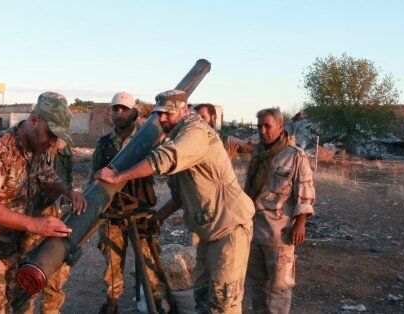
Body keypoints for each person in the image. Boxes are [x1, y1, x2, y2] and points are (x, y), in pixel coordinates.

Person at [94, 89, 255, 313]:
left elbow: (166, 158)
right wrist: (158, 218)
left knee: (223, 302)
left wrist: (119, 176)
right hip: (209, 231)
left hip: (229, 228)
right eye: (159, 114)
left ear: (184, 110)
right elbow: (179, 196)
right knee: (202, 296)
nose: (161, 119)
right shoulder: (178, 136)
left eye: (167, 114)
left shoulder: (196, 133)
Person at [0, 91, 87, 313]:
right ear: (34, 120)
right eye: (51, 134)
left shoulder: (36, 148)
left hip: (15, 246)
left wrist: (68, 192)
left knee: (18, 304)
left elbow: (48, 178)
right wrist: (35, 224)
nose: (54, 142)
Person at [92, 92, 163, 313]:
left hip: (141, 209)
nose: (119, 113)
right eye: (116, 109)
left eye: (124, 109)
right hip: (112, 211)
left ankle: (156, 301)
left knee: (148, 259)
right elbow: (94, 175)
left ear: (134, 112)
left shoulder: (147, 138)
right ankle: (112, 303)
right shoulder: (103, 144)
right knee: (112, 261)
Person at [244, 107, 315, 314]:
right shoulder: (258, 155)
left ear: (281, 127)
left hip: (279, 234)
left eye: (268, 126)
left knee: (279, 289)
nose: (263, 131)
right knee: (257, 287)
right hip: (254, 232)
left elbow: (305, 191)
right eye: (259, 127)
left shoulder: (295, 156)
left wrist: (300, 222)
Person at [19, 138, 74, 314]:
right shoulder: (28, 146)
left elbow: (64, 181)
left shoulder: (65, 148)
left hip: (56, 217)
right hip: (27, 223)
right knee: (26, 285)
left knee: (56, 281)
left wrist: (70, 195)